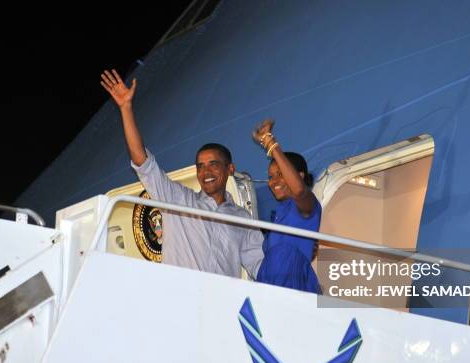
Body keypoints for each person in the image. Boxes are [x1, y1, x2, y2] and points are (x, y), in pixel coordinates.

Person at [101, 69, 263, 278]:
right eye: (200, 166)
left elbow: (261, 267)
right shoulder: (178, 200)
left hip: (222, 306)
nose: (206, 172)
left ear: (230, 169)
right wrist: (125, 108)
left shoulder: (243, 218)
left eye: (213, 164)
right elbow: (143, 161)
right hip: (180, 303)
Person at [252, 119, 322, 293]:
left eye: (280, 174)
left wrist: (270, 143)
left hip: (293, 286)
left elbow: (298, 191)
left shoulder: (307, 204)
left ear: (298, 175)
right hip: (269, 286)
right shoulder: (278, 215)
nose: (273, 182)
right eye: (270, 177)